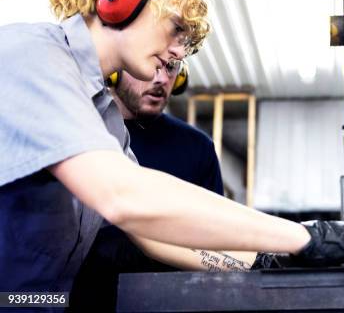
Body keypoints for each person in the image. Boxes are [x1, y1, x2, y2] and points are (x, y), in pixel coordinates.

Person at [0, 0, 344, 297]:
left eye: (185, 43)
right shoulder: (33, 55)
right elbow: (123, 197)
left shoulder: (105, 120)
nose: (176, 52)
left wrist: (266, 260)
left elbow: (153, 233)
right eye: (174, 28)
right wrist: (304, 236)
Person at [70, 65, 256, 310]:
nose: (160, 79)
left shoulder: (197, 148)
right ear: (115, 70)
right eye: (148, 66)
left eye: (170, 68)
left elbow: (214, 239)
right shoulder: (79, 133)